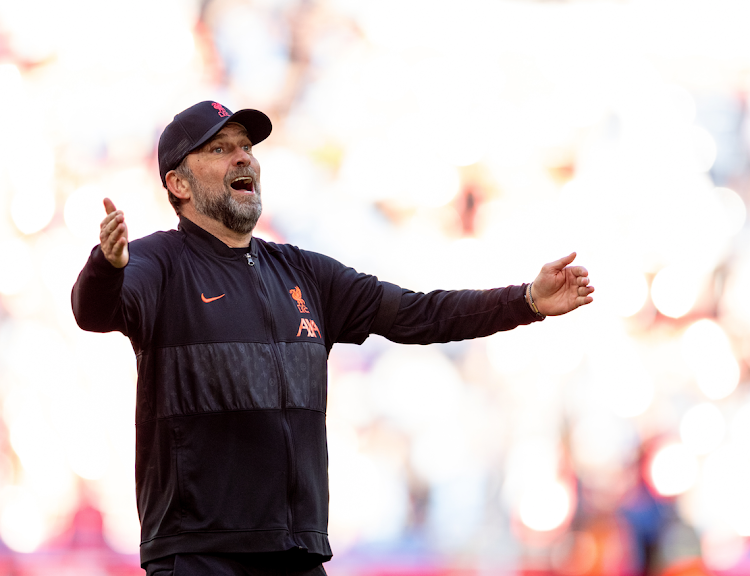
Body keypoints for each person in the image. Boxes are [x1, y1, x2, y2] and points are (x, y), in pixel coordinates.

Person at [71, 101, 594, 576]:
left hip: (295, 552)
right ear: (179, 184)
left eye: (247, 148)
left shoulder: (303, 273)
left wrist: (525, 301)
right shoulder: (156, 263)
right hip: (199, 553)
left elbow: (418, 314)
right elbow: (92, 311)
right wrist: (107, 265)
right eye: (220, 148)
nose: (244, 159)